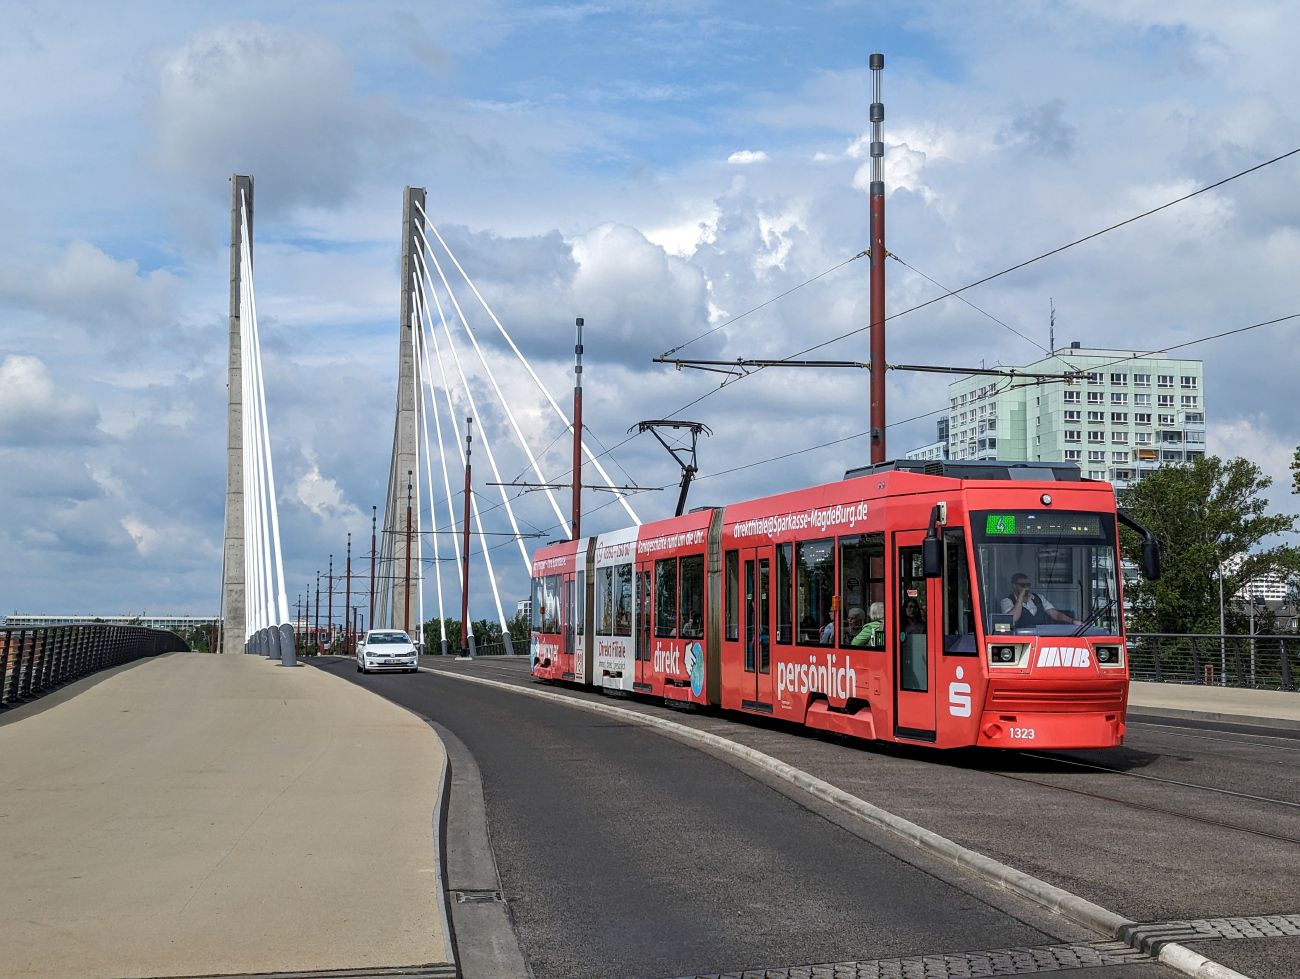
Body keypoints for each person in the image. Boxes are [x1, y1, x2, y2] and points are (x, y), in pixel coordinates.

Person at [1001, 573, 1079, 627]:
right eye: (1022, 585)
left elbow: (1055, 614)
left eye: (1028, 585)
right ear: (1014, 586)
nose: (1026, 587)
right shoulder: (1007, 601)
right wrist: (1021, 596)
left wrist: (1072, 621)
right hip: (1021, 638)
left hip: (1041, 636)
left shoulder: (1039, 598)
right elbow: (1013, 618)